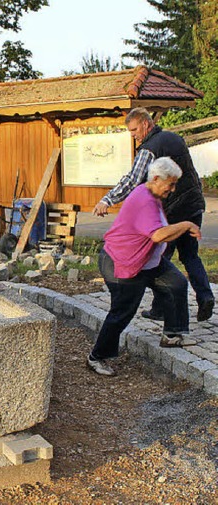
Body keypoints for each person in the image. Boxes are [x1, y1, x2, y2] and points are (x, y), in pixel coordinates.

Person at [93, 107, 214, 322]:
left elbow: (133, 180)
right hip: (194, 204)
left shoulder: (149, 149)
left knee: (159, 260)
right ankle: (205, 296)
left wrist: (108, 199)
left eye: (134, 130)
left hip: (172, 210)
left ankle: (160, 309)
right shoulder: (174, 138)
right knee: (190, 256)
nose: (133, 135)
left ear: (145, 124)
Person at [88, 157, 200, 377]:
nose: (173, 188)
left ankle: (172, 333)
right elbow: (157, 235)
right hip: (122, 261)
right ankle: (96, 357)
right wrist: (186, 225)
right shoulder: (144, 199)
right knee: (122, 312)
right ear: (157, 179)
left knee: (175, 283)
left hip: (147, 261)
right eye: (171, 183)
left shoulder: (153, 193)